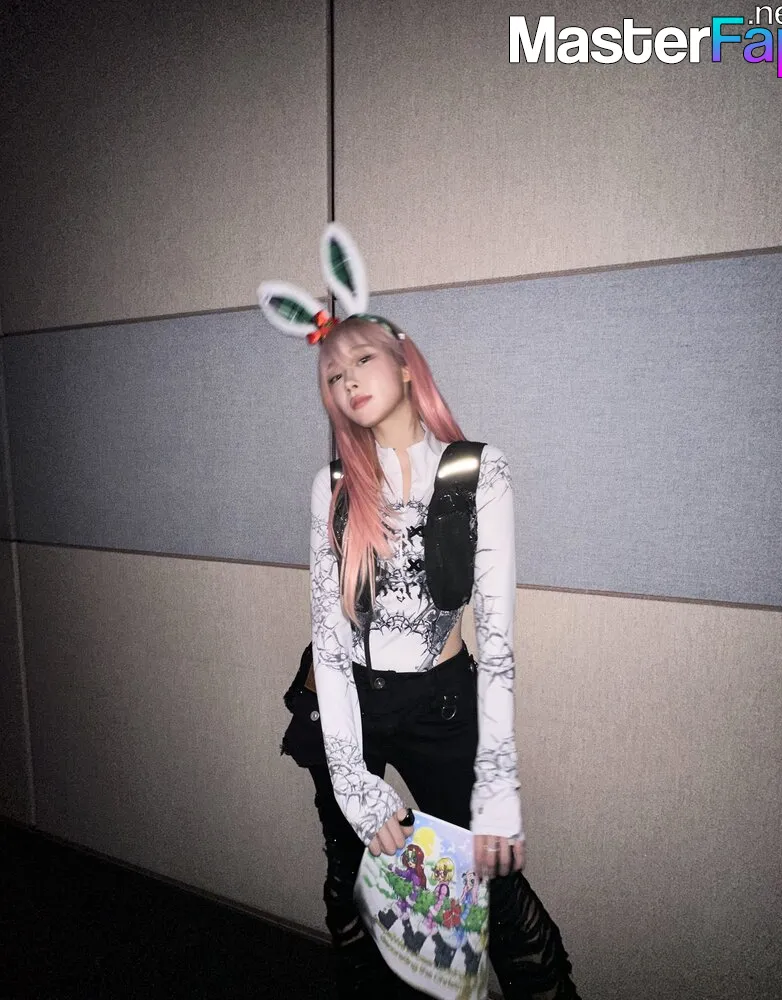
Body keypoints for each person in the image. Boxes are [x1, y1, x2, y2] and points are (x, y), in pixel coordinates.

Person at [262, 224, 580, 999]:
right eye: (333, 375)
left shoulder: (477, 472)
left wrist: (497, 782)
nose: (348, 381)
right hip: (343, 701)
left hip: (442, 702)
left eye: (362, 360)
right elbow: (329, 641)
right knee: (351, 876)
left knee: (495, 888)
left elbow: (496, 640)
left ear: (405, 364)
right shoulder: (333, 487)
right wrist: (351, 780)